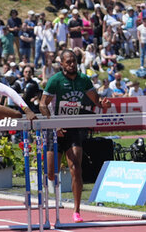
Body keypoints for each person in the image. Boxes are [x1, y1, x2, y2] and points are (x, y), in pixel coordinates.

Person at [39, 50, 111, 223]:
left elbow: (97, 102)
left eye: (74, 61)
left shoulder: (83, 80)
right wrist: (53, 124)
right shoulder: (55, 80)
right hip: (54, 128)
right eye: (68, 62)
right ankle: (48, 200)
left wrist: (104, 104)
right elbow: (42, 104)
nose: (72, 64)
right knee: (50, 173)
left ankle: (77, 211)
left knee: (76, 169)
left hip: (73, 128)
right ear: (62, 64)